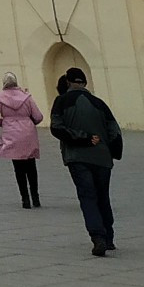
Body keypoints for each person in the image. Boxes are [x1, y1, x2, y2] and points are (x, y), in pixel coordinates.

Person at [49, 67, 121, 256]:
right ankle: (109, 237)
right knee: (103, 196)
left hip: (77, 157)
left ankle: (98, 237)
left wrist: (83, 138)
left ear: (67, 82)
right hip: (102, 158)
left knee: (88, 196)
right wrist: (111, 152)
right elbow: (114, 131)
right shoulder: (99, 103)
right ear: (85, 83)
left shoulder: (61, 101)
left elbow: (57, 128)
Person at [0, 71, 43, 208]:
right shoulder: (26, 97)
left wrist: (2, 122)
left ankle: (25, 199)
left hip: (11, 131)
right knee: (31, 166)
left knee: (18, 167)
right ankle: (35, 197)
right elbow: (39, 116)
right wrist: (30, 123)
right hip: (27, 131)